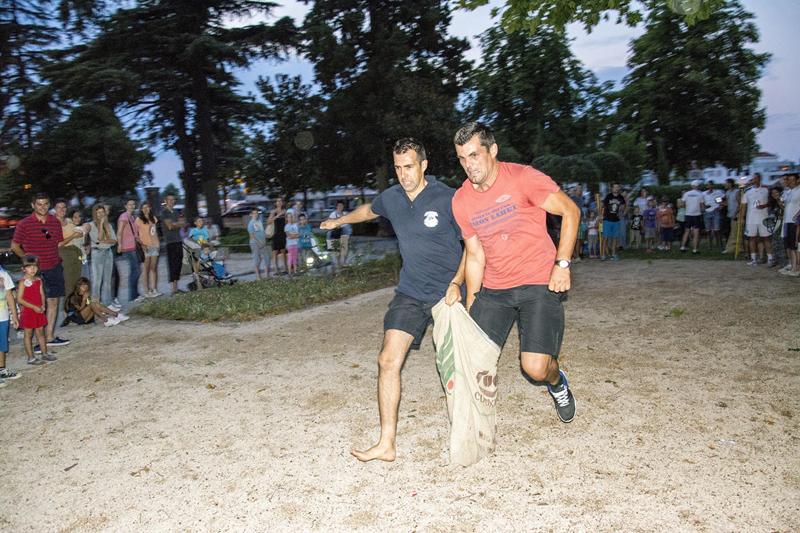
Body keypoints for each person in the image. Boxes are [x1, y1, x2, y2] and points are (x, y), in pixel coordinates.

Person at [321, 137, 464, 462]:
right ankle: (387, 444)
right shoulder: (392, 197)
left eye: (409, 167)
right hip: (411, 291)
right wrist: (339, 221)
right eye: (398, 168)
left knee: (455, 369)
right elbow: (368, 211)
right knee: (387, 360)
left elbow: (472, 244)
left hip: (448, 294)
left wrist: (459, 283)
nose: (403, 174)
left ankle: (467, 431)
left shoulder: (448, 198)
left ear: (424, 165)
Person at [452, 122, 579, 425]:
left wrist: (562, 264)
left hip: (537, 281)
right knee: (472, 357)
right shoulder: (461, 200)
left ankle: (557, 381)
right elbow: (475, 254)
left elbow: (571, 211)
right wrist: (472, 303)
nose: (469, 165)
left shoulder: (524, 178)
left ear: (493, 150)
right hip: (496, 287)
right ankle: (478, 423)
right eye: (462, 158)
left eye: (474, 155)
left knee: (535, 368)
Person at [17, 256, 55, 365]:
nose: (33, 269)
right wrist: (33, 307)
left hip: (39, 310)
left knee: (40, 332)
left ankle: (44, 353)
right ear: (23, 269)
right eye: (29, 267)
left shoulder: (38, 280)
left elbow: (42, 294)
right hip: (28, 311)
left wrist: (43, 305)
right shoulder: (22, 282)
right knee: (28, 334)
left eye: (35, 266)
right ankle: (31, 357)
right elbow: (19, 299)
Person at [63, 277, 128, 327]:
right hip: (75, 318)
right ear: (78, 286)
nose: (85, 287)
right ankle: (106, 320)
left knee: (95, 304)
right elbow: (79, 310)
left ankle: (117, 315)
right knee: (92, 304)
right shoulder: (73, 297)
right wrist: (84, 300)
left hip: (85, 318)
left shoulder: (85, 294)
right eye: (83, 286)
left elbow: (89, 305)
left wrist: (90, 301)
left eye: (86, 285)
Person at [88, 203, 117, 306]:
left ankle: (107, 304)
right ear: (95, 214)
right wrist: (101, 224)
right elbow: (99, 238)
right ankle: (96, 305)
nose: (101, 214)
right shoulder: (91, 225)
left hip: (108, 253)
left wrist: (105, 241)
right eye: (98, 212)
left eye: (102, 212)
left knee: (107, 280)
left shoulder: (108, 225)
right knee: (97, 280)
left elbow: (114, 241)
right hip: (97, 253)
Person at [742, 173, 773, 266]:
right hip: (751, 219)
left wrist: (764, 205)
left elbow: (771, 201)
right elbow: (743, 205)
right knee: (752, 238)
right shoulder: (747, 191)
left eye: (756, 178)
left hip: (763, 218)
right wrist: (742, 218)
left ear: (760, 179)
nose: (754, 180)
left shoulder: (766, 190)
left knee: (766, 238)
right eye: (753, 178)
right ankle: (753, 259)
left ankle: (770, 259)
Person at [116, 198, 143, 303]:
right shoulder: (124, 217)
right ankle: (133, 296)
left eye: (133, 204)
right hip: (127, 248)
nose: (132, 206)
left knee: (135, 271)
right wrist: (119, 244)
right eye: (130, 204)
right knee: (136, 271)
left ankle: (135, 294)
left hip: (133, 247)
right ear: (125, 206)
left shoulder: (131, 217)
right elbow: (119, 232)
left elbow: (134, 234)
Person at [0, 264, 20, 387]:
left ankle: (2, 370)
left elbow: (9, 296)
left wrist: (14, 315)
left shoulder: (3, 274)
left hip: (3, 317)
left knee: (2, 344)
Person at [136, 201, 161, 297]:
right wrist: (142, 245)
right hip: (145, 246)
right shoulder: (138, 220)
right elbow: (136, 235)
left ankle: (154, 289)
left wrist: (158, 244)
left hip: (154, 246)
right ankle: (146, 291)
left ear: (150, 208)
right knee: (146, 269)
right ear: (141, 209)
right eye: (144, 208)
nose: (146, 209)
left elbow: (154, 232)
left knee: (153, 268)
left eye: (147, 207)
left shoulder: (153, 218)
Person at [160, 195, 183, 295]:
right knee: (172, 264)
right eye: (169, 200)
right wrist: (177, 224)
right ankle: (173, 289)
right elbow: (169, 226)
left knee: (178, 263)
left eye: (173, 200)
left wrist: (176, 224)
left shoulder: (176, 212)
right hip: (170, 241)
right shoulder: (164, 212)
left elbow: (181, 223)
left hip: (178, 240)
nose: (171, 201)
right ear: (165, 201)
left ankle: (176, 288)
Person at [779, 174, 800, 276]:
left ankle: (796, 269)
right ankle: (792, 266)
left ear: (797, 180)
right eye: (789, 180)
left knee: (794, 246)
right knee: (789, 245)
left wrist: (797, 216)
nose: (790, 182)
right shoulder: (789, 192)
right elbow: (785, 206)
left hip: (795, 222)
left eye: (792, 180)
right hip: (787, 221)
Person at [602, 183, 626, 260]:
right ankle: (603, 255)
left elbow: (623, 206)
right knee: (605, 238)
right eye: (614, 187)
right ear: (612, 188)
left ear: (619, 188)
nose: (616, 188)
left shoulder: (621, 197)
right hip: (607, 220)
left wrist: (622, 210)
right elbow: (603, 206)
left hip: (616, 220)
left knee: (615, 238)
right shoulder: (608, 196)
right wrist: (600, 216)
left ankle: (613, 254)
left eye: (617, 187)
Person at [680, 180, 705, 254]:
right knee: (696, 232)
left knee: (686, 231)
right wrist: (704, 210)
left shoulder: (686, 194)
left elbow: (683, 204)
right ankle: (695, 249)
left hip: (688, 214)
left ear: (692, 186)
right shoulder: (700, 194)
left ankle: (682, 247)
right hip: (697, 215)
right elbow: (702, 206)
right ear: (698, 186)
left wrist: (688, 207)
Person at [247, 208, 270, 279]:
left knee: (267, 258)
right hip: (255, 243)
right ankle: (258, 277)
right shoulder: (250, 223)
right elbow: (252, 236)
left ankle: (267, 276)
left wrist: (266, 236)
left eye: (256, 213)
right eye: (254, 213)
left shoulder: (259, 221)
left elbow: (262, 232)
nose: (255, 214)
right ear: (251, 215)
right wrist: (260, 243)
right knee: (256, 259)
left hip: (263, 243)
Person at [328, 201, 352, 266]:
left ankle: (343, 263)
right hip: (336, 232)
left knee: (344, 249)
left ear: (343, 206)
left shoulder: (345, 213)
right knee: (337, 250)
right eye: (339, 205)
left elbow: (348, 223)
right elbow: (329, 223)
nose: (340, 207)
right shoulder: (333, 214)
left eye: (342, 205)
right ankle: (338, 263)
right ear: (336, 206)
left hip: (345, 232)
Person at [702, 181, 724, 250]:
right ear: (706, 186)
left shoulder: (717, 193)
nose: (709, 186)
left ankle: (719, 244)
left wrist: (720, 206)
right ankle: (709, 246)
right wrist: (704, 208)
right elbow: (702, 202)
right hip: (707, 212)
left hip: (715, 212)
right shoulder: (703, 193)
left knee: (717, 230)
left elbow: (719, 201)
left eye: (711, 185)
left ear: (713, 186)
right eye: (708, 185)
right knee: (708, 230)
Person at [268, 198, 287, 275]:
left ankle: (285, 268)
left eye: (280, 201)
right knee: (275, 252)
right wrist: (278, 215)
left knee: (283, 252)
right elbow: (269, 222)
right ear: (275, 203)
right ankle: (276, 270)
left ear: (283, 203)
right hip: (275, 234)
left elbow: (287, 222)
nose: (279, 202)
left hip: (283, 234)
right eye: (278, 201)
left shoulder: (285, 211)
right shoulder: (273, 211)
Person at [722, 178, 741, 253]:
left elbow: (740, 204)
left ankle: (735, 248)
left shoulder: (736, 192)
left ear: (730, 184)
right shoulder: (727, 192)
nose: (724, 184)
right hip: (729, 214)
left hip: (735, 215)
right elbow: (727, 203)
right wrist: (721, 203)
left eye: (726, 183)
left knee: (734, 232)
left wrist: (736, 213)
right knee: (728, 231)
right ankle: (730, 247)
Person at [285, 211, 299, 276]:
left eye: (291, 217)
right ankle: (290, 272)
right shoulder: (286, 226)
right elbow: (289, 236)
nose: (290, 218)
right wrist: (294, 235)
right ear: (287, 218)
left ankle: (295, 271)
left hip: (295, 243)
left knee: (295, 258)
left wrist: (293, 235)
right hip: (290, 244)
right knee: (290, 258)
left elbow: (298, 234)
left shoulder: (295, 225)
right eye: (288, 217)